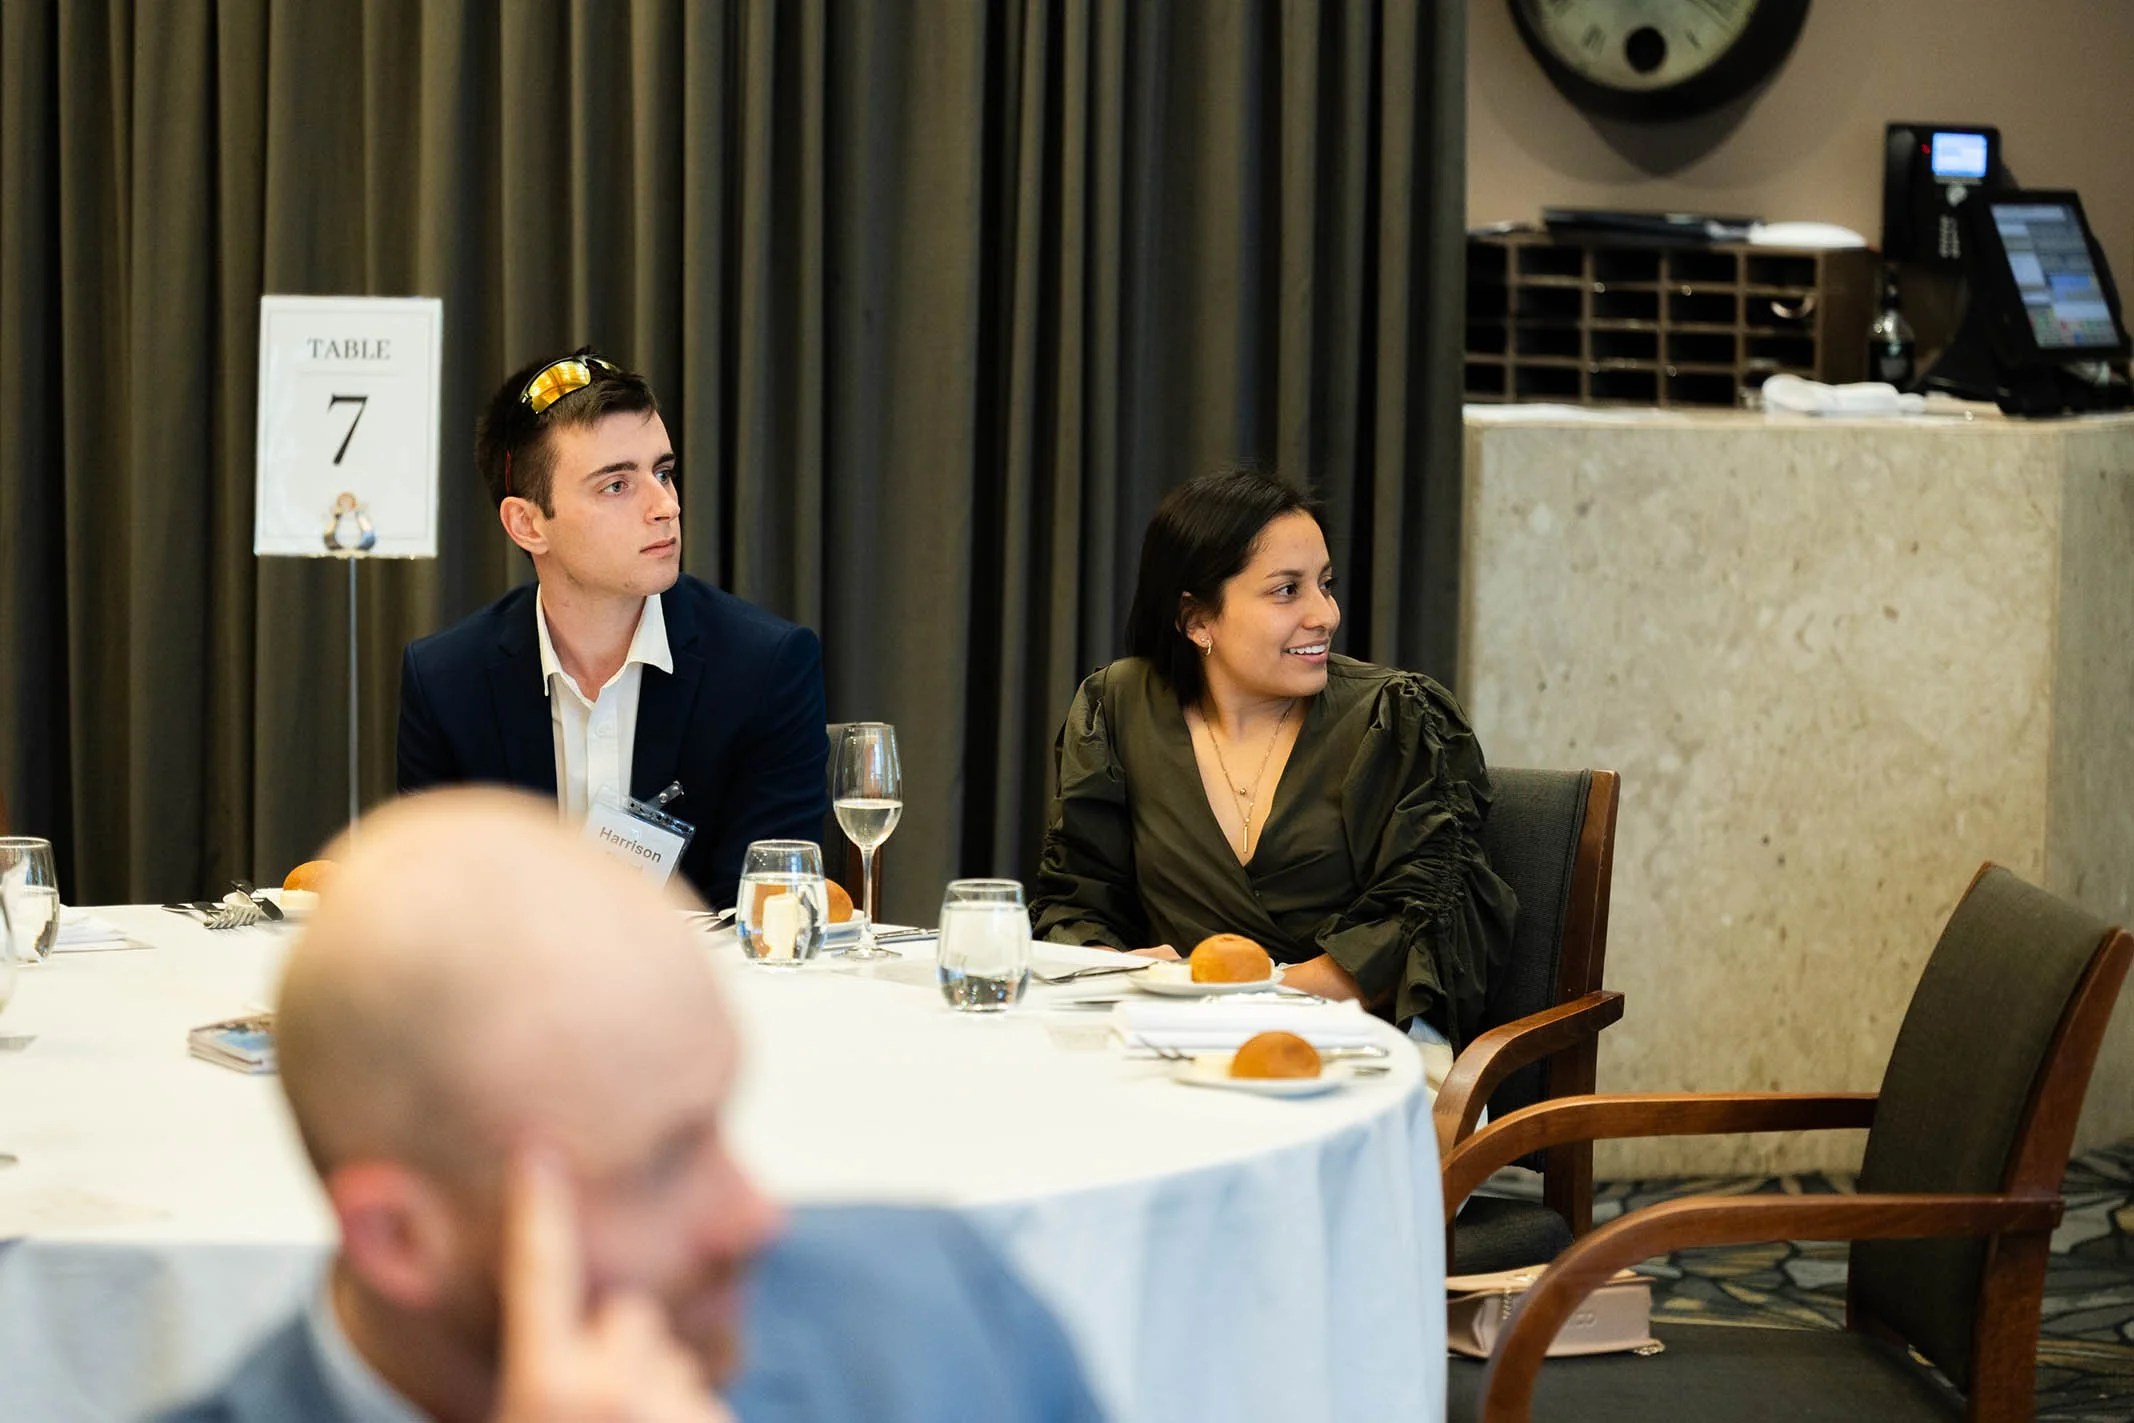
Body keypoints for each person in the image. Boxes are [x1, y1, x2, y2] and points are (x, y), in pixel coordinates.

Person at [154, 789, 1102, 1423]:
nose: (755, 1213)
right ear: (398, 1237)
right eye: (659, 1162)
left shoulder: (936, 1310)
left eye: (717, 1122)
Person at [1030, 469, 1517, 1052]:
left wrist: (1233, 997)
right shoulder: (1116, 706)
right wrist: (1127, 976)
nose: (1325, 615)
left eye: (1325, 584)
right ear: (1196, 620)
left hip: (1353, 1047)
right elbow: (1078, 898)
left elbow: (1416, 931)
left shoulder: (1398, 718)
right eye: (1287, 590)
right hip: (1170, 1042)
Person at [397, 350, 828, 908]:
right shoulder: (445, 682)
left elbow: (767, 912)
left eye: (663, 472)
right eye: (617, 486)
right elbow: (434, 909)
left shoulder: (765, 667)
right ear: (527, 523)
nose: (665, 506)